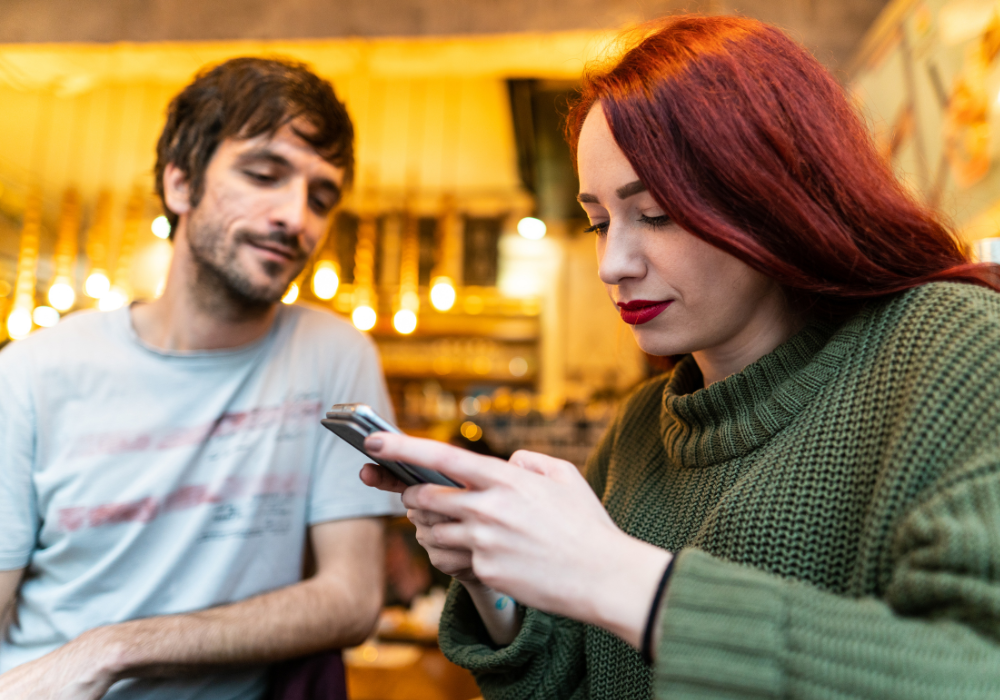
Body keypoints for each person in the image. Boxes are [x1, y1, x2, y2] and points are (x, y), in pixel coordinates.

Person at [360, 14, 1000, 700]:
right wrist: (496, 578)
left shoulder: (956, 346)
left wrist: (614, 574)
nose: (612, 264)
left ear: (775, 195)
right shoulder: (644, 427)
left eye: (656, 214)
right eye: (598, 222)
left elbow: (972, 669)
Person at [0, 57, 402, 700]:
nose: (296, 218)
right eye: (264, 175)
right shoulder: (31, 371)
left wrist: (113, 648)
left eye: (320, 197)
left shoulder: (332, 354)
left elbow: (352, 599)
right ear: (180, 183)